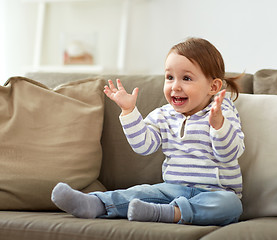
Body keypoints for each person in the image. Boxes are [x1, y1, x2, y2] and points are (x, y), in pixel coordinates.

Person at [51, 37, 245, 226]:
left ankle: (170, 213)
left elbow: (229, 154)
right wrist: (128, 111)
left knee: (231, 206)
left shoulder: (222, 111)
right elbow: (144, 146)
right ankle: (95, 204)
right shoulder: (164, 114)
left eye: (186, 78)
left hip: (216, 193)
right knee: (140, 192)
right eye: (170, 77)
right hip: (172, 190)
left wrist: (218, 125)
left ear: (213, 86)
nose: (175, 86)